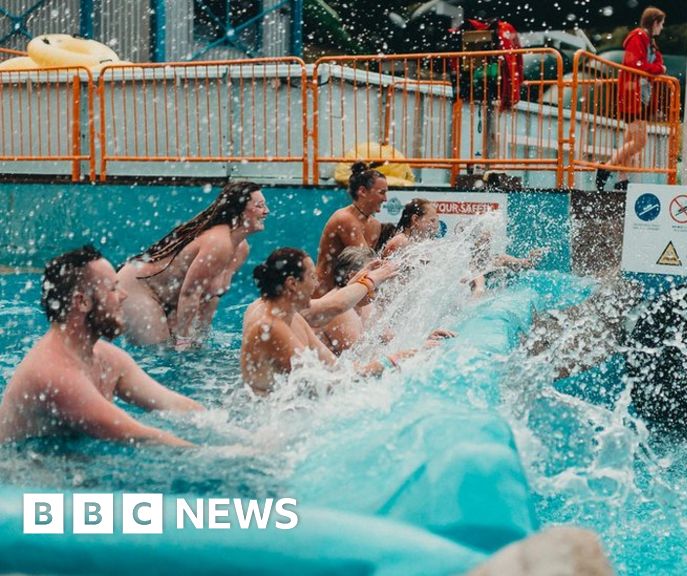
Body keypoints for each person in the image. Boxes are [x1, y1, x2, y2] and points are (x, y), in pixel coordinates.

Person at [0, 246, 202, 447]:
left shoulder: (107, 358)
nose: (123, 295)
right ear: (82, 302)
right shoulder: (54, 375)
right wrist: (219, 454)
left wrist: (222, 424)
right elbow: (140, 436)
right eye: (113, 288)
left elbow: (172, 404)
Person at [117, 181, 269, 347]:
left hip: (173, 298)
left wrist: (199, 339)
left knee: (187, 349)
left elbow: (211, 296)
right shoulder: (218, 243)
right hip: (137, 288)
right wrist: (184, 341)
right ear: (239, 211)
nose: (266, 211)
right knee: (159, 351)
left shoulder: (241, 249)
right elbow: (190, 294)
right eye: (259, 206)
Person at [241, 248, 397, 394]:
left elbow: (337, 369)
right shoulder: (268, 327)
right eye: (312, 277)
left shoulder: (294, 318)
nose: (316, 285)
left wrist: (395, 359)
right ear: (292, 284)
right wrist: (387, 362)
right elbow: (323, 382)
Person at [596, 6, 667, 192]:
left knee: (630, 138)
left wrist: (656, 68)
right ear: (654, 23)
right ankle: (606, 168)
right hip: (633, 95)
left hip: (639, 95)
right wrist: (657, 69)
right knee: (639, 141)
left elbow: (658, 62)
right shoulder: (638, 37)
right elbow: (636, 64)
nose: (662, 28)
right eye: (661, 24)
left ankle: (622, 178)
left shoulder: (649, 42)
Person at [315, 162, 389, 295]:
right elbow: (366, 264)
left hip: (348, 293)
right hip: (323, 293)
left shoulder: (375, 225)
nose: (386, 199)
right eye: (381, 193)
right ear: (362, 191)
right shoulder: (344, 219)